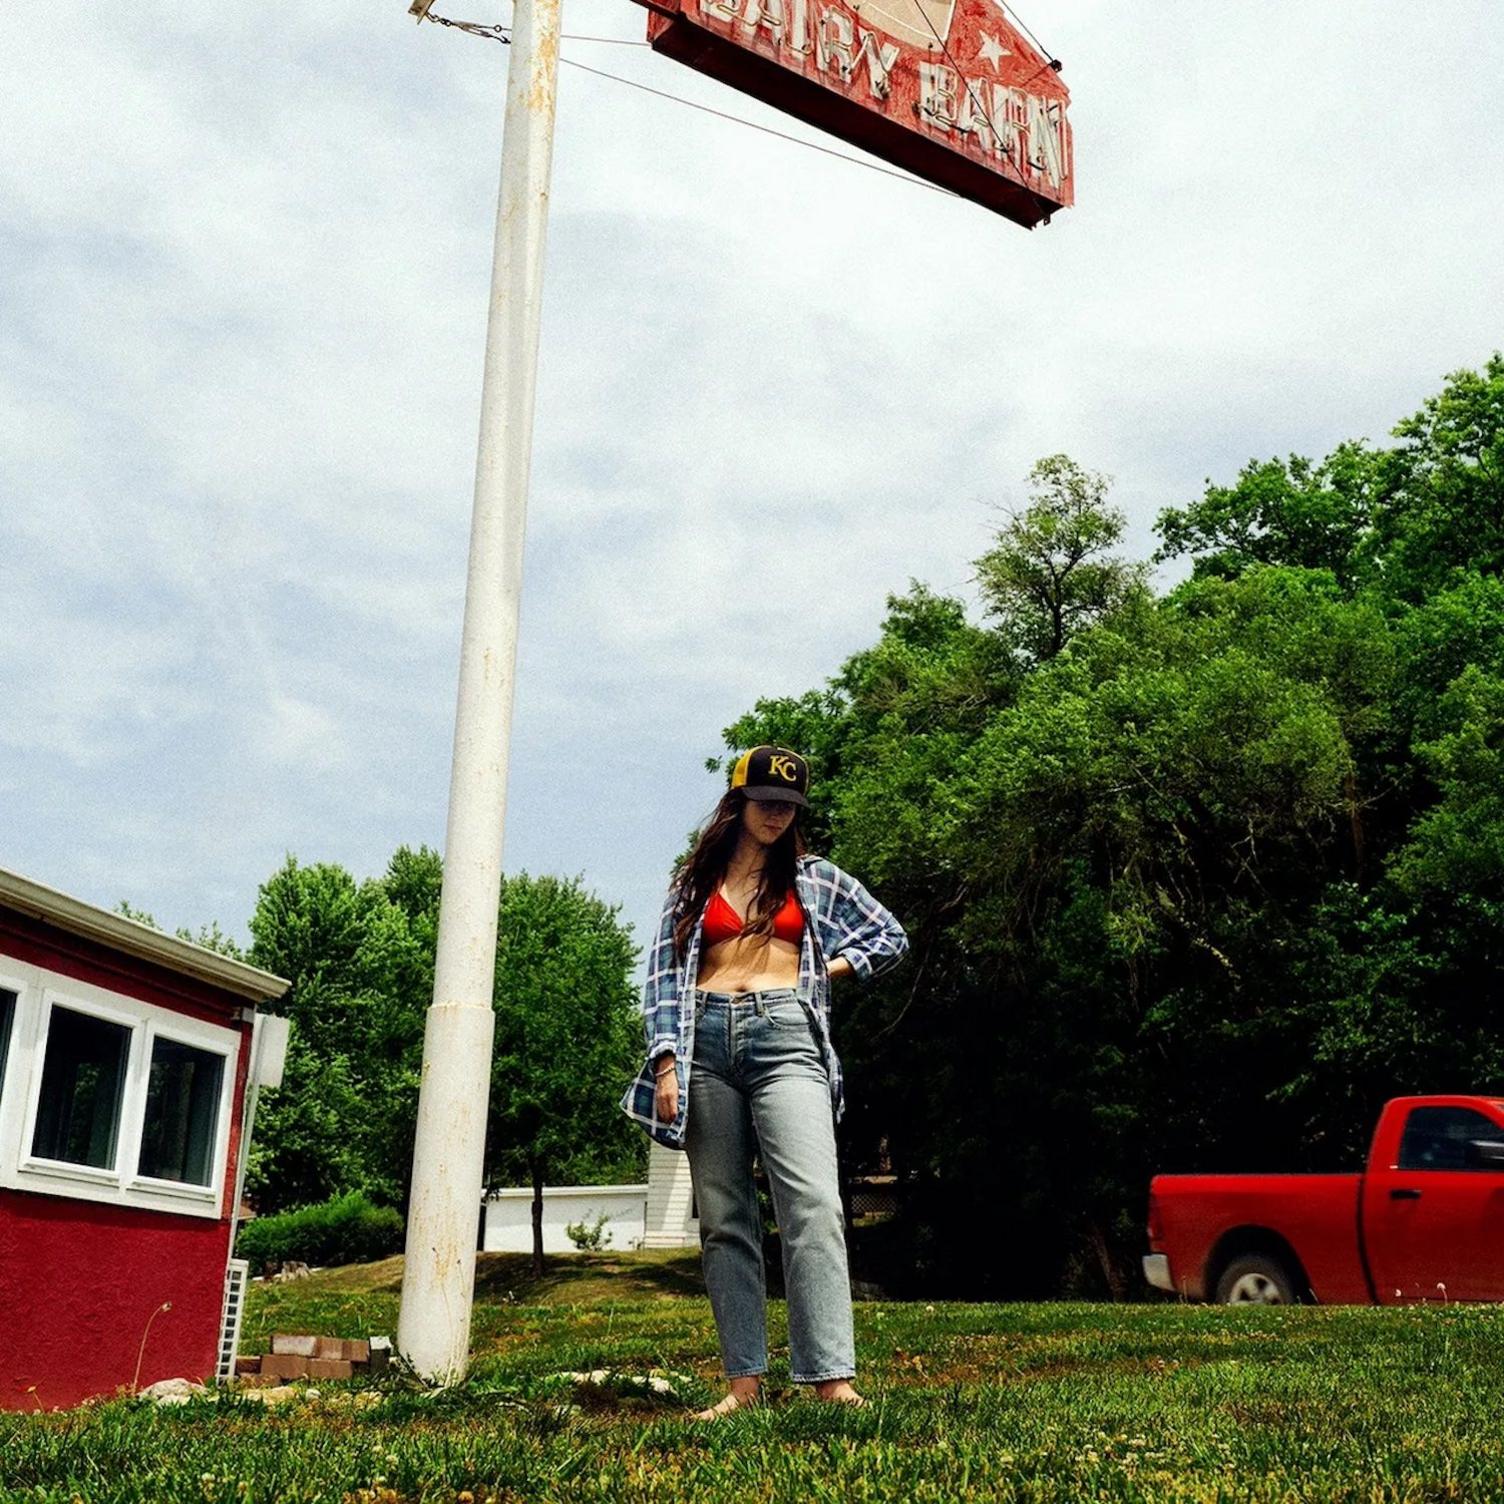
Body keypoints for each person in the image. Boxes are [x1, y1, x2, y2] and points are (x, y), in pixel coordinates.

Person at [620, 745, 909, 1418]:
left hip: (786, 1036)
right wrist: (666, 1061)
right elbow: (663, 980)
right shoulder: (691, 887)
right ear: (739, 804)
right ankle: (743, 1386)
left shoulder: (817, 880)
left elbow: (889, 937)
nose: (777, 815)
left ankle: (830, 1379)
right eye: (766, 803)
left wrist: (824, 972)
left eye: (789, 806)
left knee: (812, 1204)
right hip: (704, 1042)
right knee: (724, 1218)